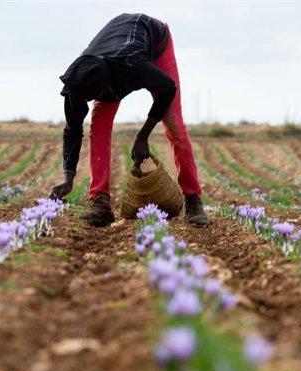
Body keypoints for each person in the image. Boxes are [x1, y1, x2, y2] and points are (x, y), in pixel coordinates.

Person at [50, 13, 208, 227]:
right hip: (112, 54)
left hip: (156, 42)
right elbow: (73, 129)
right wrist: (68, 178)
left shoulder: (132, 64)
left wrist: (143, 136)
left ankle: (193, 199)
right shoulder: (78, 80)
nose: (101, 99)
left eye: (102, 95)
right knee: (99, 126)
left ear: (108, 85)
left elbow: (167, 88)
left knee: (174, 124)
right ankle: (99, 201)